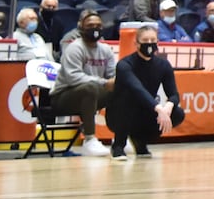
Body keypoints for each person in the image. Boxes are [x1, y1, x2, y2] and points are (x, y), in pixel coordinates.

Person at [107, 25, 184, 159]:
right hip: (119, 114)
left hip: (145, 112)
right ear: (136, 43)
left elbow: (174, 94)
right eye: (145, 40)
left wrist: (168, 107)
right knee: (128, 99)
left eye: (152, 40)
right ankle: (118, 146)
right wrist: (158, 108)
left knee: (177, 113)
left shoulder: (163, 65)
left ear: (157, 42)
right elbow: (137, 89)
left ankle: (141, 142)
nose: (149, 44)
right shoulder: (124, 65)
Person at [51, 9, 116, 156]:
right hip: (63, 96)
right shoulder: (75, 47)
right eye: (90, 25)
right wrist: (104, 83)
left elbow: (112, 75)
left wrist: (115, 82)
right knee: (90, 88)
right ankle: (89, 139)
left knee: (122, 89)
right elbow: (73, 77)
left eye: (98, 25)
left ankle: (120, 138)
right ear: (81, 27)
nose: (95, 29)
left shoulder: (106, 49)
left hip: (93, 92)